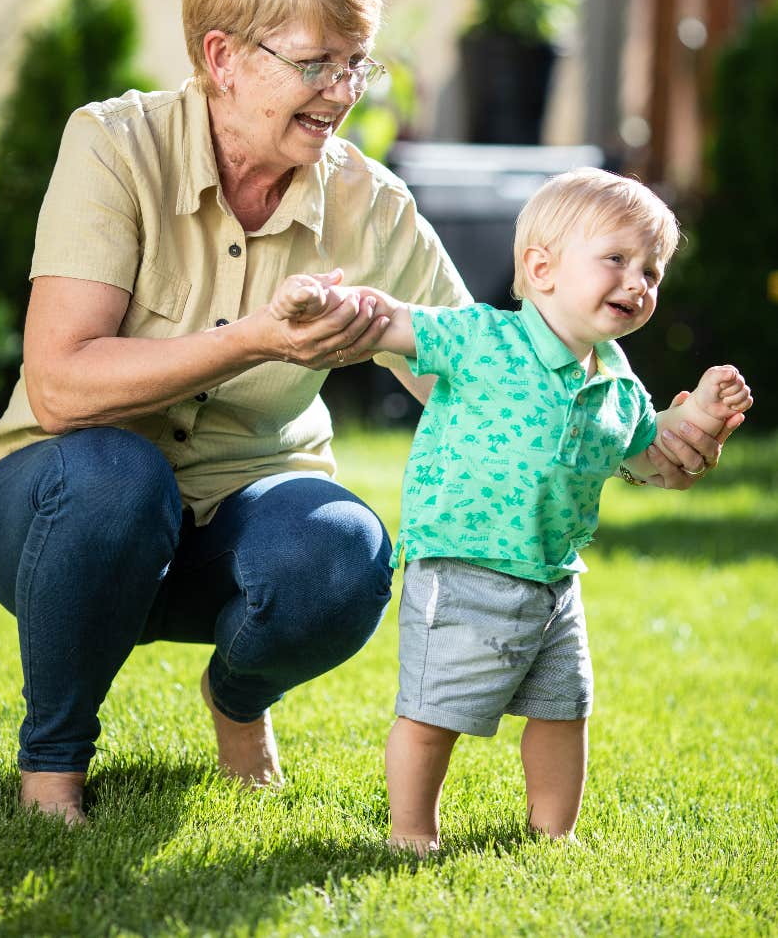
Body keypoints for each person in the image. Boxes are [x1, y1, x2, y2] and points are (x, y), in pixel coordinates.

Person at [0, 0, 728, 827]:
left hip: (242, 513)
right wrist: (253, 339)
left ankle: (238, 702)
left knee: (344, 553)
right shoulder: (115, 147)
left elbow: (504, 353)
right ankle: (54, 765)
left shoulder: (368, 200)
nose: (342, 91)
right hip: (59, 510)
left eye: (355, 63)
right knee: (117, 476)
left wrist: (650, 427)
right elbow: (62, 383)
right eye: (315, 63)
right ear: (223, 59)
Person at [271, 166, 752, 851]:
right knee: (433, 711)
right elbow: (396, 322)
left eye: (652, 269)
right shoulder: (483, 337)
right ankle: (411, 831)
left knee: (564, 711)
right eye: (616, 258)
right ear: (541, 266)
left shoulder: (616, 383)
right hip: (463, 565)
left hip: (555, 579)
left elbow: (650, 454)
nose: (638, 281)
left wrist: (701, 411)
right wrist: (326, 302)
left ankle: (552, 833)